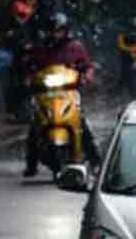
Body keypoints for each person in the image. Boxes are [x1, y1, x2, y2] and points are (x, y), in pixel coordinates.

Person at [23, 12, 102, 176]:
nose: (55, 34)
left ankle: (95, 161)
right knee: (35, 125)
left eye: (59, 31)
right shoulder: (41, 49)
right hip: (46, 93)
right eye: (52, 31)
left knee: (82, 124)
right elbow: (30, 67)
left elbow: (87, 66)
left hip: (69, 93)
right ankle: (31, 164)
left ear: (65, 31)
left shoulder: (75, 47)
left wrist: (86, 76)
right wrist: (28, 78)